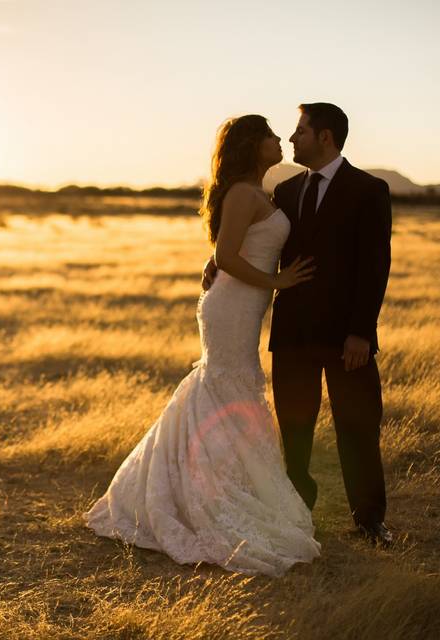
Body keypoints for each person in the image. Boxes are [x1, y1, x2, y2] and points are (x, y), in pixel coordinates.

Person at [83, 114, 321, 576]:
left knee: (229, 387)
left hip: (244, 305)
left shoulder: (260, 193)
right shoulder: (240, 193)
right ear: (252, 144)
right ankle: (206, 496)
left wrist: (252, 276)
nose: (279, 141)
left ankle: (226, 483)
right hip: (231, 307)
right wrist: (276, 281)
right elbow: (228, 255)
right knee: (225, 386)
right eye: (271, 135)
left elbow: (227, 253)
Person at [202, 103, 393, 547]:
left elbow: (375, 266)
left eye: (301, 131)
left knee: (358, 426)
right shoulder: (285, 192)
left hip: (348, 336)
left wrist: (361, 332)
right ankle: (297, 512)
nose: (291, 138)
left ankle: (369, 519)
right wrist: (215, 265)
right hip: (292, 336)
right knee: (294, 430)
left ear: (325, 137)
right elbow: (248, 240)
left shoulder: (369, 190)